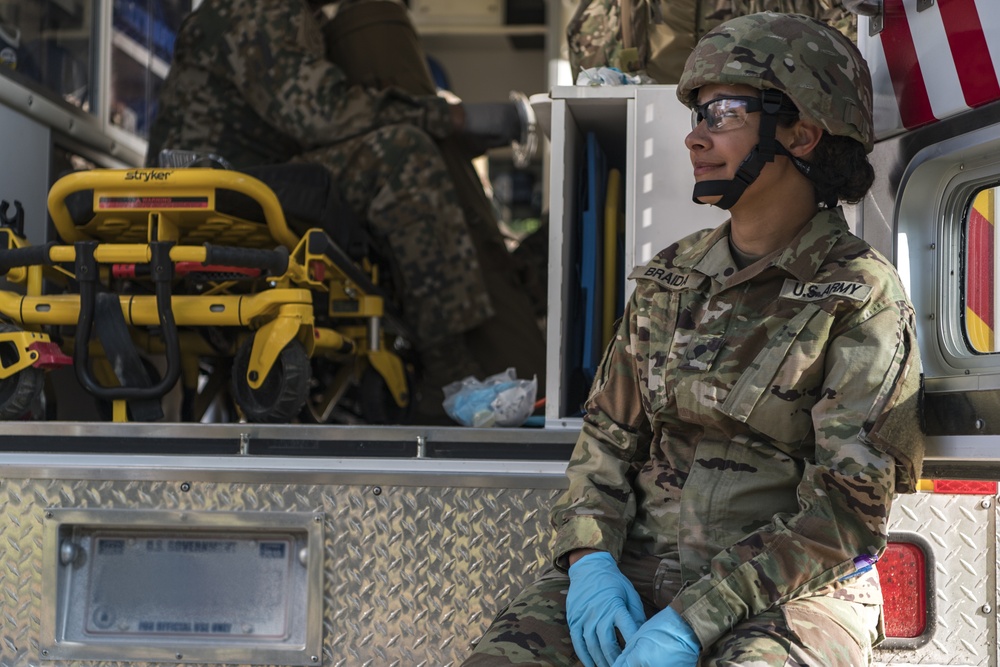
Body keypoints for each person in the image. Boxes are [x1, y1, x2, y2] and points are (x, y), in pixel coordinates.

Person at [463, 11, 924, 667]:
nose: (695, 138)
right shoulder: (669, 279)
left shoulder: (861, 296)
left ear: (803, 131)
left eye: (724, 113)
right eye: (696, 115)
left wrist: (689, 620)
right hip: (637, 573)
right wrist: (591, 560)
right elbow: (604, 449)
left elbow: (846, 520)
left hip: (793, 592)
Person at [145, 0, 546, 422]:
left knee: (390, 166)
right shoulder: (257, 9)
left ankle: (437, 362)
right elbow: (325, 113)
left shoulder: (284, 14)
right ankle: (448, 372)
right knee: (402, 153)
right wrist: (452, 118)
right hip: (224, 187)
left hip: (242, 182)